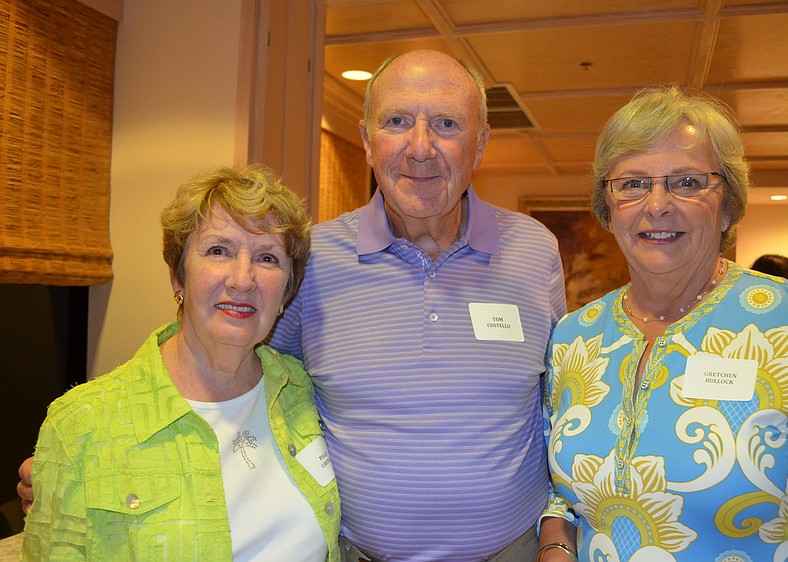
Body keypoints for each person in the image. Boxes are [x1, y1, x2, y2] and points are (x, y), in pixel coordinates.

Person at [268, 50, 566, 561]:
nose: (421, 148)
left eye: (446, 124)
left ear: (479, 144)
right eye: (397, 122)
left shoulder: (534, 250)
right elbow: (260, 392)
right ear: (367, 141)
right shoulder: (312, 259)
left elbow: (559, 405)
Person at [540, 85, 788, 561]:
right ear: (608, 208)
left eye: (687, 182)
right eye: (633, 183)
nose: (657, 204)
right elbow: (561, 490)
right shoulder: (574, 336)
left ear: (728, 205)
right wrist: (556, 545)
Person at [20, 166, 341, 561]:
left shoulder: (303, 392)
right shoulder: (82, 426)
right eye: (218, 250)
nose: (243, 279)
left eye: (267, 258)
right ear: (178, 276)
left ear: (287, 291)